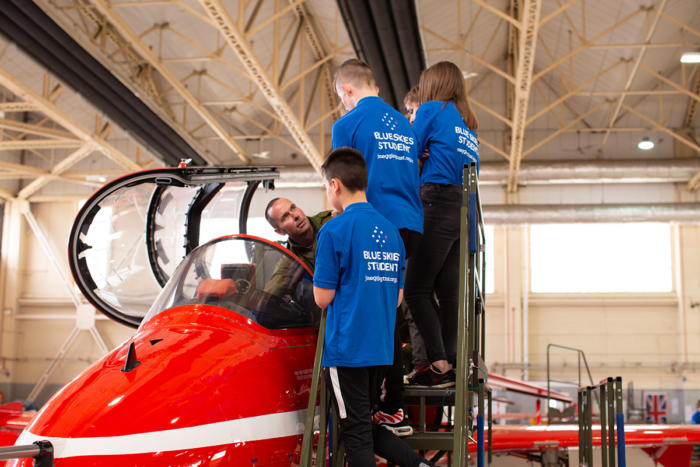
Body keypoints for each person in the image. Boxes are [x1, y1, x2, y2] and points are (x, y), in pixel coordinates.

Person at [313, 148, 432, 467]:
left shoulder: (333, 231)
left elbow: (322, 298)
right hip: (380, 349)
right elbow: (395, 298)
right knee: (363, 425)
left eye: (326, 187)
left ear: (335, 185)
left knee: (354, 432)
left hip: (347, 348)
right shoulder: (392, 232)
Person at [332, 58, 422, 435]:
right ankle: (391, 403)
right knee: (390, 311)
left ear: (347, 91)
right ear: (378, 89)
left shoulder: (347, 124)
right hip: (411, 226)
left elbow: (340, 182)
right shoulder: (404, 123)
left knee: (362, 311)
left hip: (374, 224)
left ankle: (377, 403)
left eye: (342, 96)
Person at [405, 61, 480, 387]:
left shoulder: (431, 110)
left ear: (432, 85)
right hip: (463, 211)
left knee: (416, 290)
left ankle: (436, 363)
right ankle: (451, 361)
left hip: (435, 200)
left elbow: (407, 151)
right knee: (449, 295)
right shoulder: (468, 123)